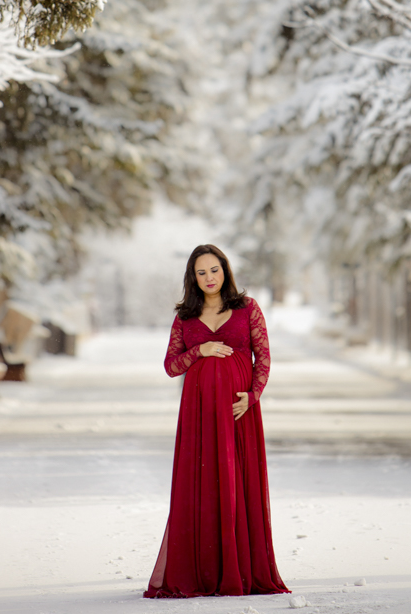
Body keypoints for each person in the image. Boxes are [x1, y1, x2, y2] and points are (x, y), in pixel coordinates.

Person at [144, 243, 289, 599]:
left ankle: (239, 570)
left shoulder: (247, 308)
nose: (209, 278)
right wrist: (201, 350)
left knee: (237, 483)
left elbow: (264, 357)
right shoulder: (185, 317)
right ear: (192, 278)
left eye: (214, 270)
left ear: (225, 271)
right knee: (202, 484)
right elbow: (171, 365)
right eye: (201, 272)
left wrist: (252, 396)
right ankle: (201, 569)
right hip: (197, 413)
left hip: (238, 412)